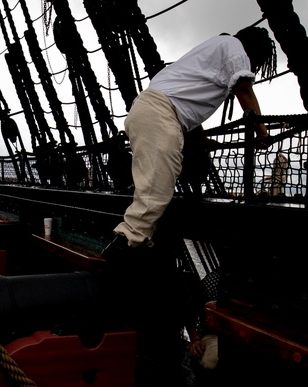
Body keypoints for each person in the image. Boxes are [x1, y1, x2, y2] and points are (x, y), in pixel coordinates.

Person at [105, 26, 276, 254]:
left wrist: (202, 139)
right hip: (160, 112)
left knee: (157, 180)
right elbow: (244, 90)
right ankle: (123, 249)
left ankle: (141, 245)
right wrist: (262, 132)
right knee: (157, 186)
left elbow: (188, 96)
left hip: (153, 110)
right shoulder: (235, 49)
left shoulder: (219, 46)